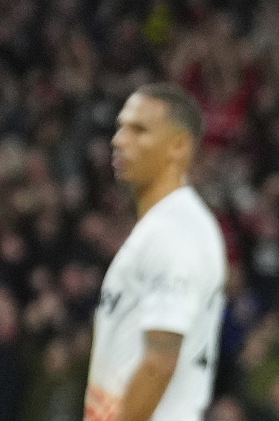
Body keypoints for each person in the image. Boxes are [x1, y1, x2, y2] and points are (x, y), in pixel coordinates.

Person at [84, 83, 227, 421]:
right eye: (120, 127)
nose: (118, 140)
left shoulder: (176, 232)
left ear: (179, 146)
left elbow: (160, 360)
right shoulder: (162, 226)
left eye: (139, 130)